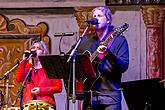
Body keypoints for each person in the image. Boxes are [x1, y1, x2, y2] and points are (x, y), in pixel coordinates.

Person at [69, 6, 129, 110]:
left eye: (99, 16)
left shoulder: (119, 40)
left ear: (108, 20)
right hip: (89, 96)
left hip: (110, 96)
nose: (96, 18)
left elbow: (123, 66)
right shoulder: (86, 40)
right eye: (94, 16)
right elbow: (71, 58)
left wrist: (108, 54)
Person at [15, 40, 62, 110]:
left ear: (43, 52)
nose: (35, 50)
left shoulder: (50, 68)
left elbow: (59, 87)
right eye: (33, 47)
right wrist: (23, 61)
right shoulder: (28, 67)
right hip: (28, 103)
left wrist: (41, 90)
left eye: (38, 48)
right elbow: (19, 78)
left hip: (45, 104)